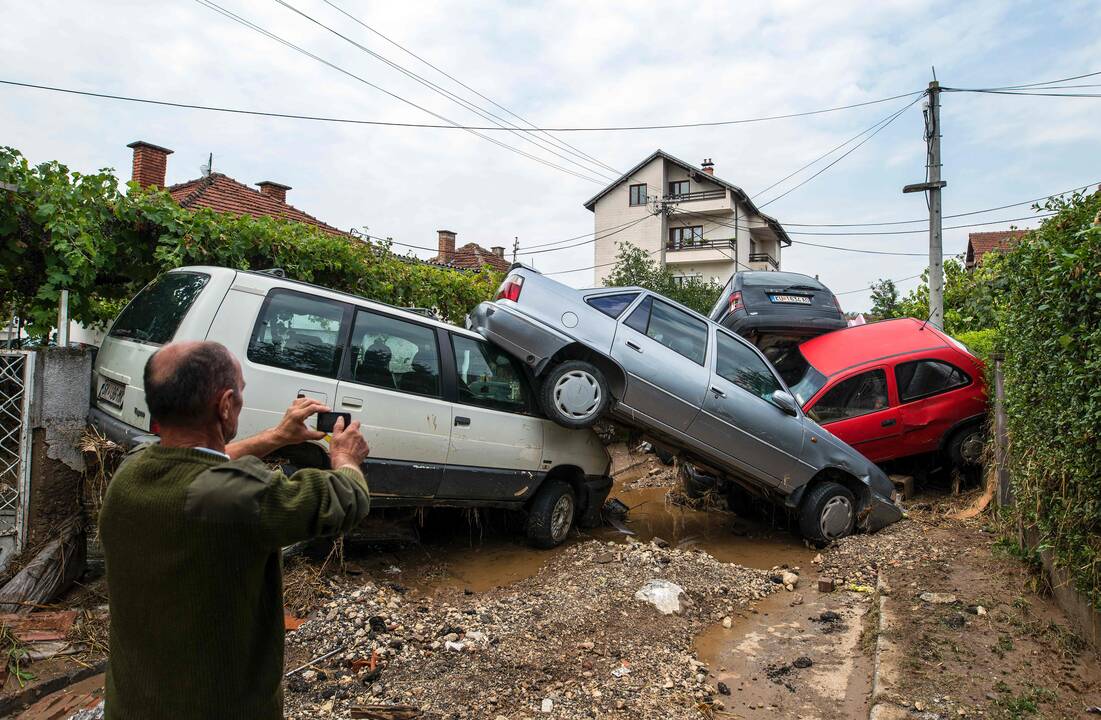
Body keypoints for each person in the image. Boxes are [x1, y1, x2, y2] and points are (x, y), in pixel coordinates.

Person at [98, 341, 370, 720]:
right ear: (225, 405)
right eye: (240, 392)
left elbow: (199, 457)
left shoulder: (132, 471)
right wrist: (345, 457)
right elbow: (344, 500)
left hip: (132, 704)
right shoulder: (232, 491)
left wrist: (276, 437)